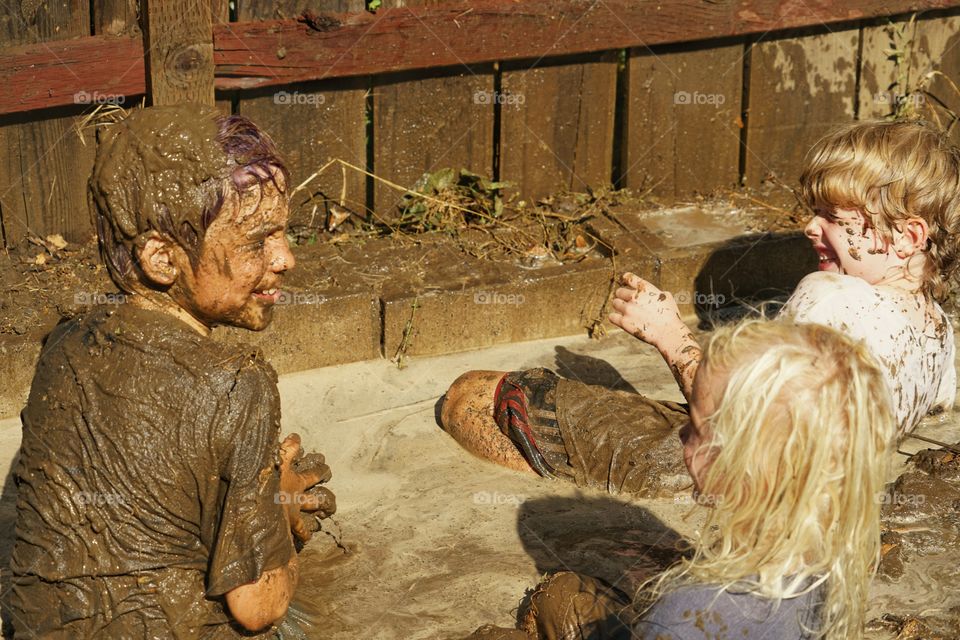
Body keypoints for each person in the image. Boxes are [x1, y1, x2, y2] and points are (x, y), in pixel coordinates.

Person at [440, 119, 959, 495]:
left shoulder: (831, 298)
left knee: (472, 397)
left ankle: (593, 489)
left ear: (907, 236)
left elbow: (739, 428)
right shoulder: (938, 330)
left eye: (832, 218)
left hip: (732, 482)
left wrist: (668, 335)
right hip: (827, 493)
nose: (809, 227)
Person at [6, 104, 335, 638]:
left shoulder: (63, 344)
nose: (285, 259)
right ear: (162, 259)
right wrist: (277, 505)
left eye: (283, 234)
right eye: (258, 241)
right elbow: (259, 605)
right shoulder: (236, 383)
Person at [462, 318, 896, 639]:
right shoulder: (841, 546)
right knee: (566, 596)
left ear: (743, 460)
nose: (681, 434)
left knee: (541, 609)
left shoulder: (686, 613)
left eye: (696, 427)